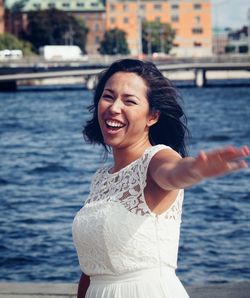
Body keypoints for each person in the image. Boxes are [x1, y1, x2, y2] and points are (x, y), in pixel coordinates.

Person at [72, 59, 249, 298]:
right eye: (108, 96)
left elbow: (174, 172)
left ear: (152, 116)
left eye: (129, 101)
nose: (114, 107)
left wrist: (195, 169)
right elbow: (91, 272)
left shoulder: (156, 159)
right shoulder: (101, 178)